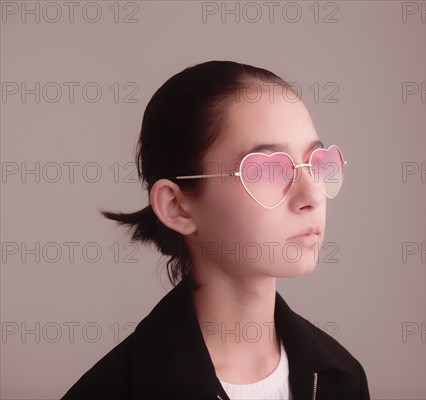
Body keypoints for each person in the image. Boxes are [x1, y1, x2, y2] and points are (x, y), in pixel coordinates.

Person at [61, 60, 370, 400]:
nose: (312, 195)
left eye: (317, 164)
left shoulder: (341, 377)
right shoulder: (113, 389)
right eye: (267, 170)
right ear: (177, 206)